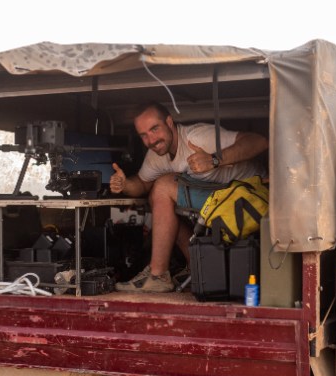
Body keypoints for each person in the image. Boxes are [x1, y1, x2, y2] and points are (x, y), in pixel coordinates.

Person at [110, 102, 268, 292]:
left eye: (154, 129)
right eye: (144, 135)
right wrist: (125, 184)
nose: (150, 140)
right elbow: (142, 184)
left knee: (162, 188)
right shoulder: (156, 154)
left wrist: (214, 159)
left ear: (169, 122)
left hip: (250, 194)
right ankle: (197, 268)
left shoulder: (198, 137)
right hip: (220, 195)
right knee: (156, 194)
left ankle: (158, 275)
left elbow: (259, 141)